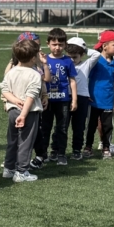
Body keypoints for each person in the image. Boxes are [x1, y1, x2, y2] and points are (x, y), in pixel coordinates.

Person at [0, 39, 44, 182]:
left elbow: (5, 90)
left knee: (12, 140)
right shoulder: (34, 74)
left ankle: (8, 168)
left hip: (12, 110)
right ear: (33, 58)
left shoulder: (11, 72)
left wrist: (14, 100)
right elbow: (30, 97)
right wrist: (24, 114)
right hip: (28, 113)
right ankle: (22, 171)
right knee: (25, 141)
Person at [37, 28, 77, 167]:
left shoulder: (68, 61)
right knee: (45, 128)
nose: (57, 47)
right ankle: (43, 154)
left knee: (62, 128)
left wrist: (74, 99)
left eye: (60, 44)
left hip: (63, 100)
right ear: (48, 44)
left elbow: (72, 80)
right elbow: (40, 79)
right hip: (46, 100)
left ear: (65, 45)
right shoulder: (43, 59)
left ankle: (61, 154)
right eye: (54, 44)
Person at [84, 30, 114, 160]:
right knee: (91, 125)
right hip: (93, 100)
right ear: (104, 46)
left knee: (107, 126)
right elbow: (85, 77)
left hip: (108, 101)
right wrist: (86, 93)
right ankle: (88, 147)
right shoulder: (96, 61)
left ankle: (106, 148)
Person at [65, 37, 100, 161]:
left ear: (81, 55)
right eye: (69, 56)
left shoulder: (86, 64)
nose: (72, 60)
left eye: (75, 57)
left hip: (82, 98)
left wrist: (84, 48)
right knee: (63, 125)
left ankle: (76, 150)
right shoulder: (64, 63)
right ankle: (59, 150)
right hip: (66, 97)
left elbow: (96, 54)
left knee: (79, 126)